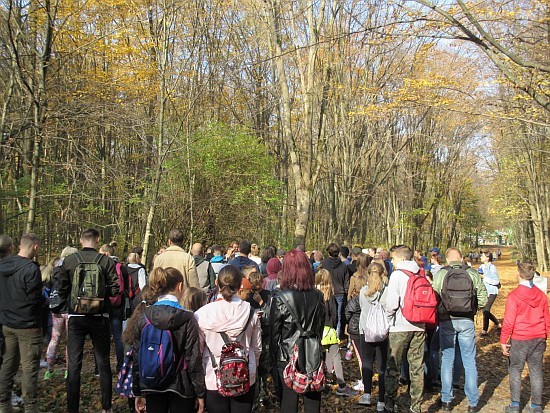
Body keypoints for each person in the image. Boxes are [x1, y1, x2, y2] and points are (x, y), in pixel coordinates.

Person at [55, 228, 120, 413]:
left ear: (80, 239)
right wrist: (101, 298)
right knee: (103, 362)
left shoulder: (69, 261)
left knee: (74, 364)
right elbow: (116, 290)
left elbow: (60, 288)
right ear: (97, 240)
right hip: (99, 317)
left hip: (76, 317)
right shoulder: (106, 261)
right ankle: (106, 407)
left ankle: (72, 408)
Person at [131, 267, 205, 413]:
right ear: (180, 286)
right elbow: (193, 357)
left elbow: (137, 355)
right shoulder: (187, 318)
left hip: (152, 382)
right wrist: (200, 392)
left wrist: (138, 390)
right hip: (181, 385)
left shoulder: (144, 315)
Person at [195, 265, 261, 413]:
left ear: (217, 284)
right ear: (239, 286)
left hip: (213, 375)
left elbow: (197, 351)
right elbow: (257, 348)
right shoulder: (251, 312)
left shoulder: (202, 314)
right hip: (245, 375)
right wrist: (252, 367)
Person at [432, 247, 488, 413]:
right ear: (462, 258)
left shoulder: (441, 273)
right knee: (469, 360)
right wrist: (472, 308)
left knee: (447, 359)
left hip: (446, 321)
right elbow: (483, 299)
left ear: (447, 259)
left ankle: (446, 400)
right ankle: (472, 402)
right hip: (467, 321)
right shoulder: (471, 273)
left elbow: (433, 297)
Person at [269, 249, 325, 413]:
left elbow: (274, 333)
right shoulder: (318, 296)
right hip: (312, 350)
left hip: (286, 354)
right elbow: (319, 328)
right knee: (313, 397)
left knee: (288, 399)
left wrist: (273, 359)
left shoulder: (280, 297)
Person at [0, 233, 45, 413]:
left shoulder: (3, 265)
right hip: (28, 326)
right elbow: (35, 299)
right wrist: (47, 304)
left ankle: (4, 405)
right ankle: (30, 408)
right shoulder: (31, 269)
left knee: (7, 366)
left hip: (7, 324)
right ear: (35, 247)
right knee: (29, 370)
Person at [500, 261, 550, 413]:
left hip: (520, 338)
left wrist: (503, 340)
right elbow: (547, 318)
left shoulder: (514, 296)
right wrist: (545, 336)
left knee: (515, 370)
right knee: (536, 371)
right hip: (538, 337)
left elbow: (509, 321)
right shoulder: (541, 295)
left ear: (519, 275)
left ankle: (515, 405)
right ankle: (536, 406)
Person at [383, 245, 425, 413]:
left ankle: (389, 404)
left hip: (399, 326)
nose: (391, 262)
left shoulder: (397, 275)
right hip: (420, 326)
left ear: (400, 259)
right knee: (417, 368)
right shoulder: (420, 273)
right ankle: (416, 406)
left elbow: (392, 304)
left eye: (392, 258)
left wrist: (387, 321)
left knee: (393, 368)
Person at [316, 269, 355, 397]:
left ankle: (325, 381)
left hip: (319, 331)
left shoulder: (314, 295)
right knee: (336, 356)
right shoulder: (330, 296)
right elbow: (334, 315)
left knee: (324, 356)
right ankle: (342, 384)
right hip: (329, 330)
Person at [357, 261, 389, 411]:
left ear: (368, 274)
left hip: (366, 330)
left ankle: (367, 394)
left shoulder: (364, 291)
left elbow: (362, 308)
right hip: (383, 332)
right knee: (382, 366)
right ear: (383, 274)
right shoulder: (387, 291)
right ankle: (381, 401)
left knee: (367, 362)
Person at [44, 246, 78, 380]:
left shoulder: (56, 268)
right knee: (71, 341)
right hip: (69, 308)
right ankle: (69, 371)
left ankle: (49, 369)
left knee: (55, 338)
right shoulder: (73, 267)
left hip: (56, 308)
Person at [99, 243, 126, 372]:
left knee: (101, 338)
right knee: (118, 337)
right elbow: (125, 289)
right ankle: (120, 366)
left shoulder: (101, 266)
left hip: (104, 305)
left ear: (106, 254)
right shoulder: (122, 267)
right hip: (118, 307)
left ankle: (99, 368)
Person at [344, 267, 367, 394]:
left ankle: (365, 381)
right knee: (365, 356)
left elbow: (347, 315)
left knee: (361, 357)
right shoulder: (368, 298)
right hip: (365, 330)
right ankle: (365, 379)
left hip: (356, 331)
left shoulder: (354, 301)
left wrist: (348, 324)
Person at [320, 243, 350, 339]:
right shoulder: (343, 266)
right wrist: (345, 292)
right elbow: (347, 282)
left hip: (325, 292)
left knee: (325, 314)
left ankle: (325, 336)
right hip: (339, 293)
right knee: (338, 316)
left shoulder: (323, 264)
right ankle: (335, 337)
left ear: (329, 253)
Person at [478, 249, 501, 336]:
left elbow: (496, 281)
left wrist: (484, 277)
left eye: (482, 256)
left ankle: (494, 325)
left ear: (487, 257)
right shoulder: (481, 267)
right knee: (485, 310)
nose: (481, 257)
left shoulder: (492, 268)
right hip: (484, 292)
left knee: (486, 310)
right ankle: (487, 329)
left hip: (492, 292)